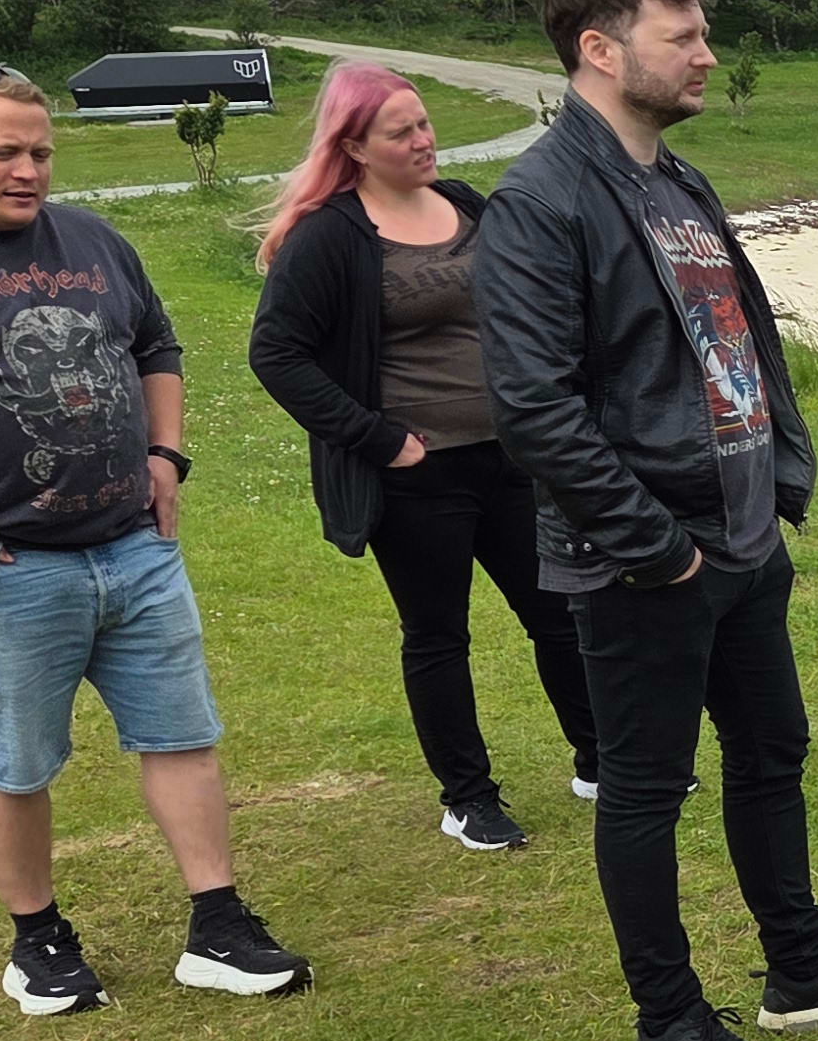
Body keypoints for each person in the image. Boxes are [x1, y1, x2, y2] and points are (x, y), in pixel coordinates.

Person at [474, 0, 818, 1041]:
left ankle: (801, 967)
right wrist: (657, 549)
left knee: (772, 749)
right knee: (646, 788)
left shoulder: (677, 184)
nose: (706, 53)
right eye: (680, 35)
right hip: (647, 560)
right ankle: (668, 1027)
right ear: (600, 49)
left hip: (740, 535)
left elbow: (740, 342)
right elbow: (533, 408)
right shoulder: (541, 203)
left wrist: (774, 480)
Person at [0, 66, 311, 1016]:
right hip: (3, 572)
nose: (30, 170)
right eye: (4, 151)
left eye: (42, 152)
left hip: (132, 548)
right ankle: (38, 941)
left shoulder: (91, 238)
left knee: (183, 737)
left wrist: (165, 454)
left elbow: (155, 346)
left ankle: (217, 924)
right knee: (15, 763)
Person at [249, 61, 599, 851]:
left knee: (556, 612)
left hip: (512, 457)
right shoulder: (332, 235)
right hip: (417, 475)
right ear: (355, 147)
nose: (422, 139)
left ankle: (599, 760)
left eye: (424, 122)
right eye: (400, 131)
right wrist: (378, 439)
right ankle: (469, 799)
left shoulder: (466, 204)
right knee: (439, 636)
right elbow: (276, 353)